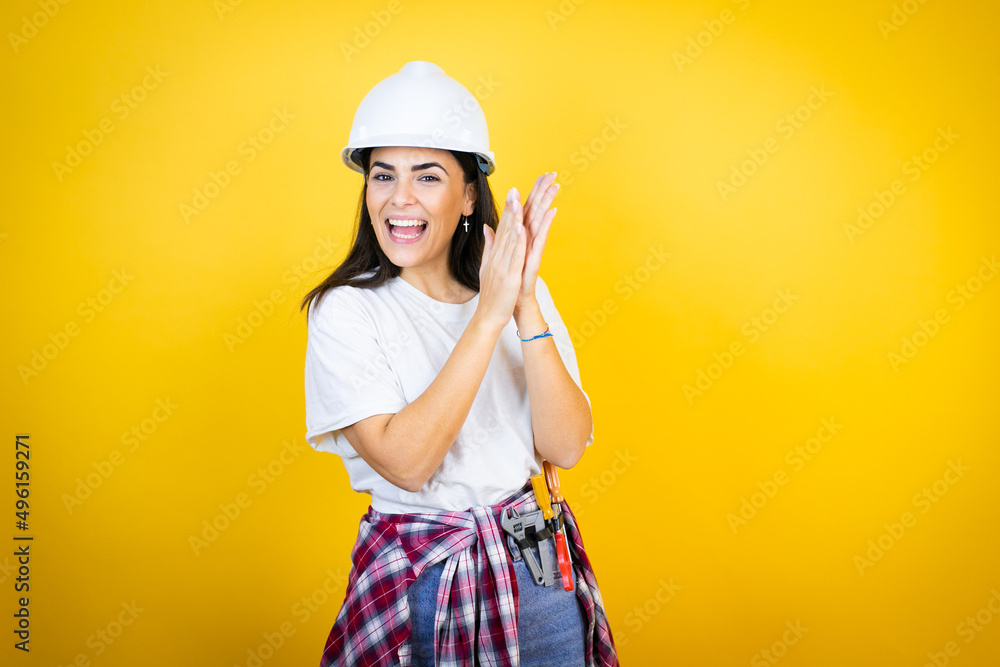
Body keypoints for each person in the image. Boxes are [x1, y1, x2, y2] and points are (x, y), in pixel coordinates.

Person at [301, 61, 618, 667]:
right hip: (421, 577)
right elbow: (407, 463)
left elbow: (567, 445)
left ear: (470, 192)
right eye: (382, 175)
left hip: (537, 572)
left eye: (427, 176)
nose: (400, 198)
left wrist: (522, 303)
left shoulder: (520, 295)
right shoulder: (346, 312)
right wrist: (489, 315)